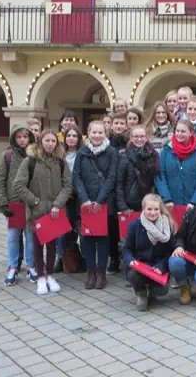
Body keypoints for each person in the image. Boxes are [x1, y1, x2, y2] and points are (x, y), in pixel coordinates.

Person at [13, 129, 73, 295]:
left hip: (54, 211)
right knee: (37, 245)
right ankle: (40, 277)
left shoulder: (61, 162)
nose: (50, 144)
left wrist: (57, 204)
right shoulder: (30, 161)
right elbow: (18, 185)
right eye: (47, 140)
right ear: (40, 142)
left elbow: (68, 185)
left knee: (53, 245)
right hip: (36, 211)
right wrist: (35, 201)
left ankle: (50, 276)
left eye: (53, 141)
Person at [73, 121, 118, 290]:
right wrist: (85, 199)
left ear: (105, 133)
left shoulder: (111, 152)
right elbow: (76, 176)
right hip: (85, 203)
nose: (97, 136)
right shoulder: (82, 153)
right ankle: (91, 272)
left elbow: (112, 177)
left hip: (103, 203)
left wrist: (99, 200)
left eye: (100, 132)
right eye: (94, 132)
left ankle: (101, 273)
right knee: (87, 239)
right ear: (88, 133)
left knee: (103, 238)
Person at [0, 124, 37, 286]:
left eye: (25, 137)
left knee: (31, 237)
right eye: (19, 137)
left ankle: (31, 266)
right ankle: (13, 267)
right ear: (14, 138)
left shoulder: (35, 156)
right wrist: (3, 202)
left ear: (30, 138)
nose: (22, 140)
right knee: (13, 237)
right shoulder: (7, 156)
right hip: (14, 204)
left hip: (30, 203)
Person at [124, 194, 175, 311]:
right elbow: (127, 249)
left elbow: (170, 252)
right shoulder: (134, 225)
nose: (153, 213)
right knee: (133, 275)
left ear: (160, 209)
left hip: (159, 265)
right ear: (143, 209)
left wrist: (162, 266)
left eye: (156, 209)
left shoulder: (167, 225)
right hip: (141, 265)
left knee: (162, 290)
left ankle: (153, 291)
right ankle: (141, 293)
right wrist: (130, 260)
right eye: (149, 209)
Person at [155, 120, 196, 212]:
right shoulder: (166, 151)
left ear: (191, 133)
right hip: (170, 205)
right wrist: (167, 199)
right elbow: (160, 176)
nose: (179, 134)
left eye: (183, 131)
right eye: (177, 131)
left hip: (193, 205)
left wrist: (195, 201)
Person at [55, 124, 83, 274]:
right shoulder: (60, 154)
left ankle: (81, 259)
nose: (71, 139)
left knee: (80, 228)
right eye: (69, 136)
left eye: (74, 136)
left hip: (79, 195)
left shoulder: (83, 153)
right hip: (64, 196)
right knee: (63, 229)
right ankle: (62, 258)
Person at [116, 125, 160, 215]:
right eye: (136, 136)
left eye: (142, 136)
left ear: (146, 137)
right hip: (130, 204)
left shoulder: (153, 155)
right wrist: (123, 207)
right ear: (131, 138)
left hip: (150, 203)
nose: (139, 139)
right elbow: (119, 184)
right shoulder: (124, 156)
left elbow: (157, 178)